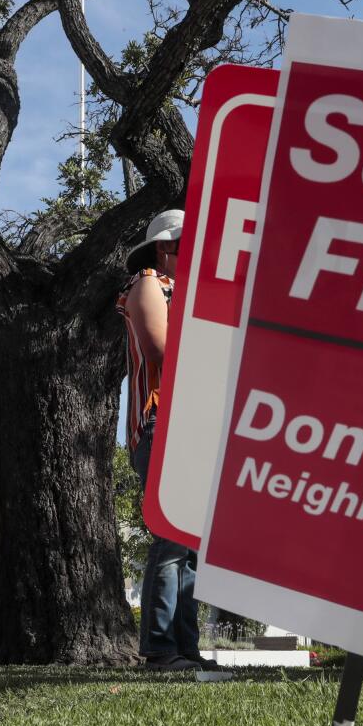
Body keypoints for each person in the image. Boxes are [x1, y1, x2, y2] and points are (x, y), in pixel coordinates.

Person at [117, 210, 221, 672]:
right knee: (172, 537)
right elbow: (162, 349)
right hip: (162, 420)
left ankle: (184, 647)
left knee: (192, 543)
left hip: (195, 424)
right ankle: (160, 648)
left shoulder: (197, 293)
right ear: (165, 248)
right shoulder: (149, 284)